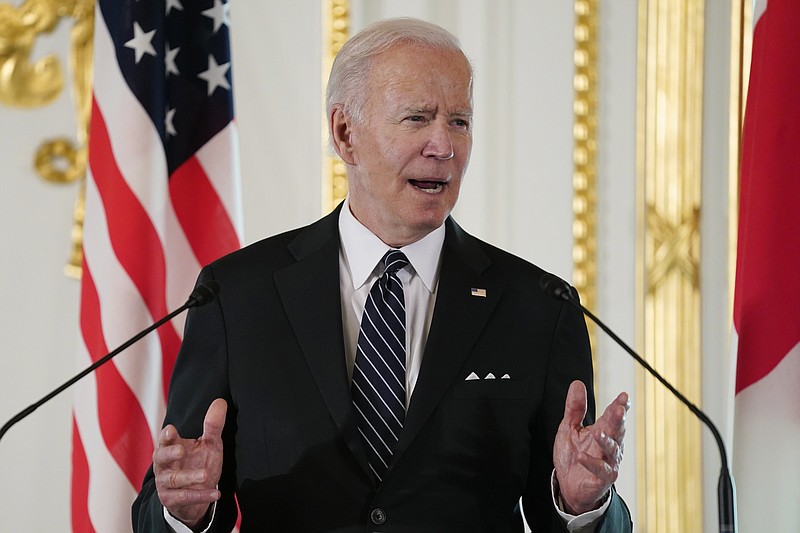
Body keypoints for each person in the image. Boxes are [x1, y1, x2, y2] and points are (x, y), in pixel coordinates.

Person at [133, 17, 632, 533]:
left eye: (459, 121)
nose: (444, 146)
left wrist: (582, 506)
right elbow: (162, 510)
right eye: (418, 119)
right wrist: (182, 511)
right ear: (346, 134)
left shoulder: (539, 306)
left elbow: (573, 508)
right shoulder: (236, 296)